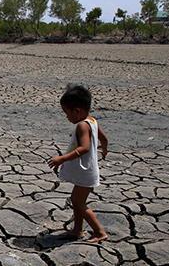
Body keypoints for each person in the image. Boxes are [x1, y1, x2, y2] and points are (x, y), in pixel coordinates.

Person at [47, 84, 109, 244]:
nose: (67, 117)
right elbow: (104, 138)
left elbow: (84, 148)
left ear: (77, 111)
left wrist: (62, 158)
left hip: (86, 172)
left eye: (67, 113)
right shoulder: (92, 120)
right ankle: (77, 230)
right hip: (88, 170)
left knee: (79, 203)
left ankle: (99, 232)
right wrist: (104, 148)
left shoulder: (82, 125)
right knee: (76, 201)